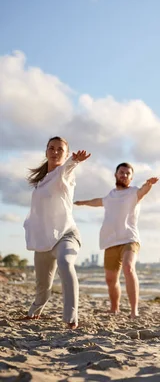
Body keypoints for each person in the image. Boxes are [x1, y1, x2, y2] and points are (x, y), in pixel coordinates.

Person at [74, 163, 158, 318]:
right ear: (116, 174)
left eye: (127, 173)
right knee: (110, 278)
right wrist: (82, 202)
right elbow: (97, 201)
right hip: (110, 241)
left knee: (128, 267)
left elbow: (143, 192)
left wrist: (148, 185)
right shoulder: (110, 196)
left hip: (129, 239)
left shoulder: (134, 193)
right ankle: (114, 308)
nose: (124, 175)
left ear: (131, 178)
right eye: (122, 172)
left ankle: (134, 311)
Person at [23, 136, 90, 329]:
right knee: (43, 287)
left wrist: (74, 161)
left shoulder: (64, 173)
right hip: (44, 240)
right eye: (51, 148)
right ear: (46, 152)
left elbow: (67, 169)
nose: (55, 152)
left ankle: (71, 318)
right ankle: (34, 311)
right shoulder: (42, 180)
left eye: (60, 149)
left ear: (66, 154)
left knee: (65, 262)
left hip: (66, 235)